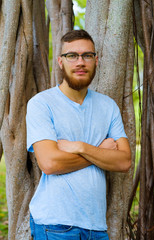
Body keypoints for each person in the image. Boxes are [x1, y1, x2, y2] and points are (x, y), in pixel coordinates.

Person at [26, 29, 131, 240]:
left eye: (87, 55)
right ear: (60, 61)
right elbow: (50, 164)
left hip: (97, 227)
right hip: (55, 225)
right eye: (72, 55)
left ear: (96, 60)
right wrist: (101, 153)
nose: (80, 62)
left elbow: (124, 161)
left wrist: (80, 147)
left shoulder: (108, 106)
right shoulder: (42, 103)